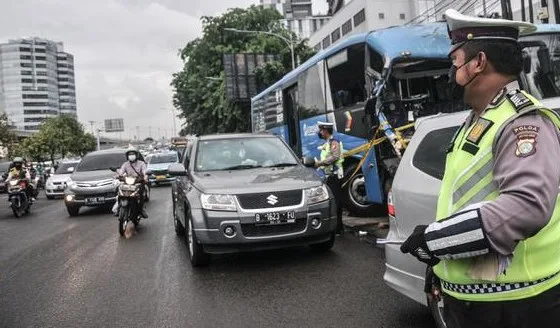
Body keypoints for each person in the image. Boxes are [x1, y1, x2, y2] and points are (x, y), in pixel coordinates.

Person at [400, 10, 560, 328]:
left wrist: (435, 240)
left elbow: (526, 207)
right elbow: (463, 200)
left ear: (479, 63)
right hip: (479, 301)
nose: (451, 72)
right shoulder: (478, 120)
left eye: (456, 61)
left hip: (517, 305)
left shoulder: (522, 122)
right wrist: (441, 264)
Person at [314, 121, 345, 235]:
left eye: (321, 130)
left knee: (336, 202)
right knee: (334, 201)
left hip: (335, 175)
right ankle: (337, 228)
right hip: (330, 175)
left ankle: (338, 228)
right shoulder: (328, 143)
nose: (320, 132)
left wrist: (321, 163)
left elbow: (335, 156)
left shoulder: (334, 142)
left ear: (326, 130)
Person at [117, 147, 149, 218]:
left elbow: (145, 172)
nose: (131, 156)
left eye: (133, 154)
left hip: (138, 182)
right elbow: (121, 172)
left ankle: (141, 210)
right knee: (120, 191)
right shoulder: (125, 164)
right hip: (128, 183)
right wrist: (118, 176)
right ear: (127, 156)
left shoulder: (141, 163)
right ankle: (119, 208)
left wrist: (145, 177)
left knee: (141, 195)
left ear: (136, 155)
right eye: (130, 154)